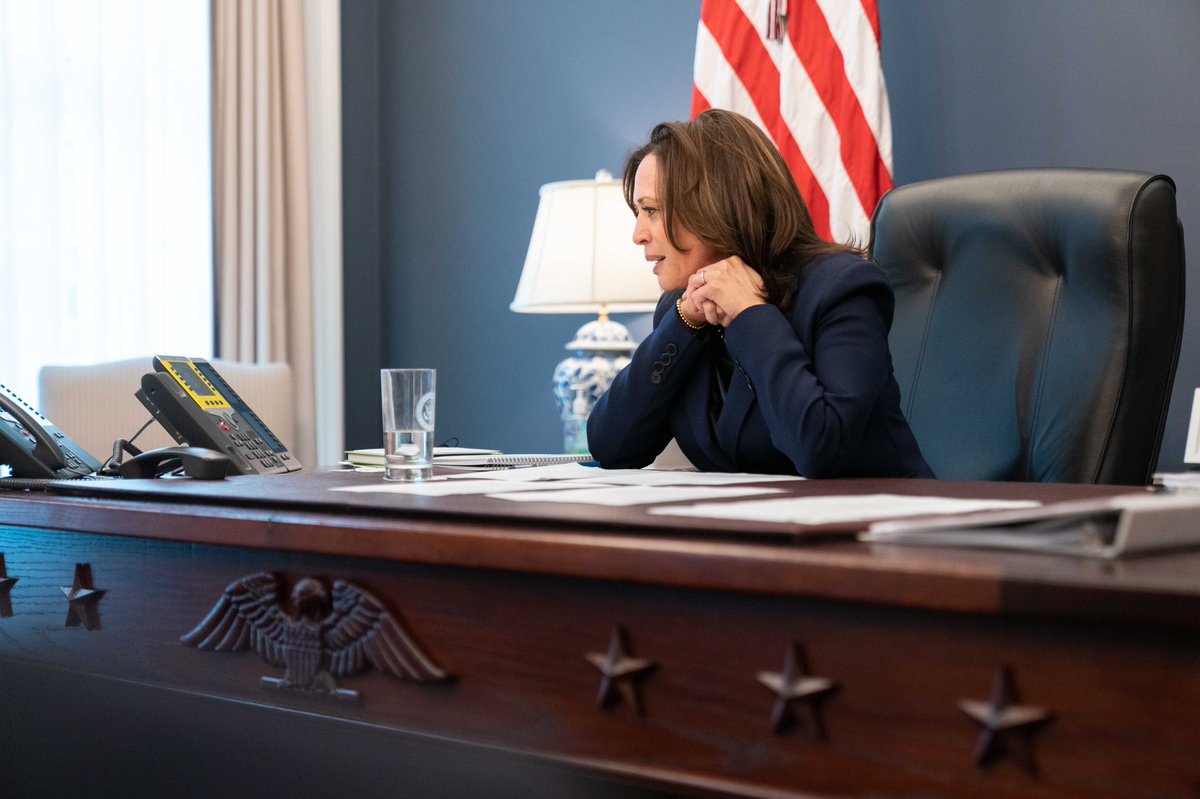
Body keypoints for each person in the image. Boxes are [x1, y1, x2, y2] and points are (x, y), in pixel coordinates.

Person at [586, 109, 933, 479]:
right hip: (754, 530)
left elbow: (820, 450)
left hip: (881, 527)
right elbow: (612, 447)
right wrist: (683, 322)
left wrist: (750, 313)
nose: (638, 234)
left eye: (651, 211)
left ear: (715, 204)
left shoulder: (841, 289)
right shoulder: (682, 309)